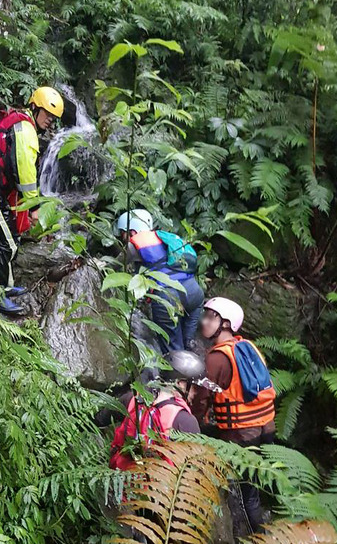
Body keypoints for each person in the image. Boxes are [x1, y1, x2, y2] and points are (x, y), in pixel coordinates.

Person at [0, 87, 64, 315]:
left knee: (7, 237)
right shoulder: (25, 129)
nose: (50, 121)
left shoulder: (19, 122)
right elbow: (26, 173)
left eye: (53, 118)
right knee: (6, 242)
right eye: (47, 115)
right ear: (35, 107)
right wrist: (34, 208)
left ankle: (5, 287)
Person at [191, 297, 277, 532]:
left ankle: (256, 536)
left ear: (226, 324)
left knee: (248, 495)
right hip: (266, 426)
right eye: (205, 315)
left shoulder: (217, 357)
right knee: (257, 485)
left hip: (242, 432)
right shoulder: (248, 347)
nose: (204, 322)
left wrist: (192, 424)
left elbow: (201, 399)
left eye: (211, 317)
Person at [115, 209, 204, 353]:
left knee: (174, 353)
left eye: (123, 233)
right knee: (188, 345)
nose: (122, 237)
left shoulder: (133, 245)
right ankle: (197, 364)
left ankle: (176, 375)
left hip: (167, 298)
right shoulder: (166, 238)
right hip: (194, 293)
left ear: (132, 231)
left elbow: (113, 266)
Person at [109, 350, 204, 471]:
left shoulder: (132, 400)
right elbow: (195, 471)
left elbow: (95, 418)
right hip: (161, 487)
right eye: (194, 387)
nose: (196, 393)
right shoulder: (185, 421)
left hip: (124, 483)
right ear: (180, 384)